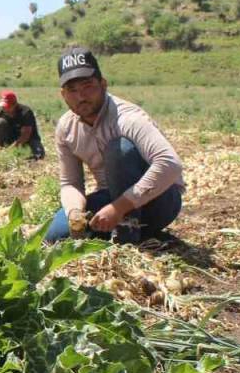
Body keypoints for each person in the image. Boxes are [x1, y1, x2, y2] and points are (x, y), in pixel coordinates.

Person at [44, 46, 185, 244]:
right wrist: (75, 213)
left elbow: (170, 164)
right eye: (72, 90)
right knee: (55, 237)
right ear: (63, 95)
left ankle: (128, 236)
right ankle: (135, 231)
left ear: (103, 84)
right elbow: (70, 183)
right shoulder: (66, 127)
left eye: (87, 86)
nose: (81, 96)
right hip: (111, 196)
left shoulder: (127, 118)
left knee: (119, 148)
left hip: (159, 199)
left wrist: (118, 208)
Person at [0, 89, 45, 159]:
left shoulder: (25, 112)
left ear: (15, 104)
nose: (5, 109)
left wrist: (11, 150)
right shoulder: (0, 111)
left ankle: (18, 152)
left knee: (39, 155)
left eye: (8, 107)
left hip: (29, 140)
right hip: (10, 139)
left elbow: (25, 136)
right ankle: (4, 148)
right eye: (4, 107)